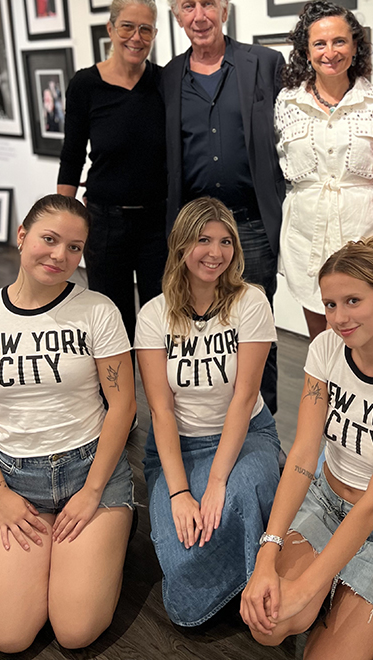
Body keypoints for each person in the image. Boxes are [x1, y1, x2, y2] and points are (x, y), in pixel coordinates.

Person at [241, 237, 373, 660]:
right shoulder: (325, 349)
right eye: (330, 304)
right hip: (328, 501)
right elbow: (302, 456)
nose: (338, 317)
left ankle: (361, 605)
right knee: (270, 626)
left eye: (353, 300)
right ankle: (339, 598)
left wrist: (307, 587)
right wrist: (268, 549)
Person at [0, 194, 135, 653]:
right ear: (22, 236)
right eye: (49, 240)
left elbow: (123, 405)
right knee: (9, 637)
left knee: (75, 631)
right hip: (17, 481)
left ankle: (113, 529)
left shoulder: (98, 310)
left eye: (74, 248)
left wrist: (93, 491)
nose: (60, 256)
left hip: (90, 472)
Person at [135, 197, 280, 627]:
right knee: (183, 550)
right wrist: (181, 493)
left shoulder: (250, 302)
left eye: (225, 241)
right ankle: (232, 575)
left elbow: (244, 395)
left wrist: (217, 482)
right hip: (178, 444)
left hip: (246, 433)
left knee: (232, 502)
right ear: (181, 245)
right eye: (203, 240)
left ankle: (258, 583)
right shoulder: (153, 315)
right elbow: (160, 410)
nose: (215, 253)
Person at [163, 0, 285, 414]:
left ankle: (263, 424)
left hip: (250, 225)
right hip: (192, 229)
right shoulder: (169, 78)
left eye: (208, 3)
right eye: (188, 5)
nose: (200, 15)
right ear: (177, 16)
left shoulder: (265, 64)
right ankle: (209, 421)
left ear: (225, 8)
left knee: (257, 330)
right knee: (202, 332)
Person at [57, 0, 167, 350]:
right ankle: (119, 406)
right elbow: (72, 156)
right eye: (127, 27)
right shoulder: (85, 85)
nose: (136, 38)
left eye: (146, 30)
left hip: (158, 224)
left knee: (160, 321)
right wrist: (62, 220)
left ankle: (163, 407)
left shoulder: (164, 83)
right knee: (112, 324)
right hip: (105, 225)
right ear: (110, 28)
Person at [275, 0, 373, 341]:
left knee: (364, 342)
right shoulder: (286, 103)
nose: (330, 52)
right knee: (321, 343)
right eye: (319, 43)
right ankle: (322, 395)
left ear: (355, 46)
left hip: (362, 237)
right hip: (306, 241)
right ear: (306, 52)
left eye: (339, 41)